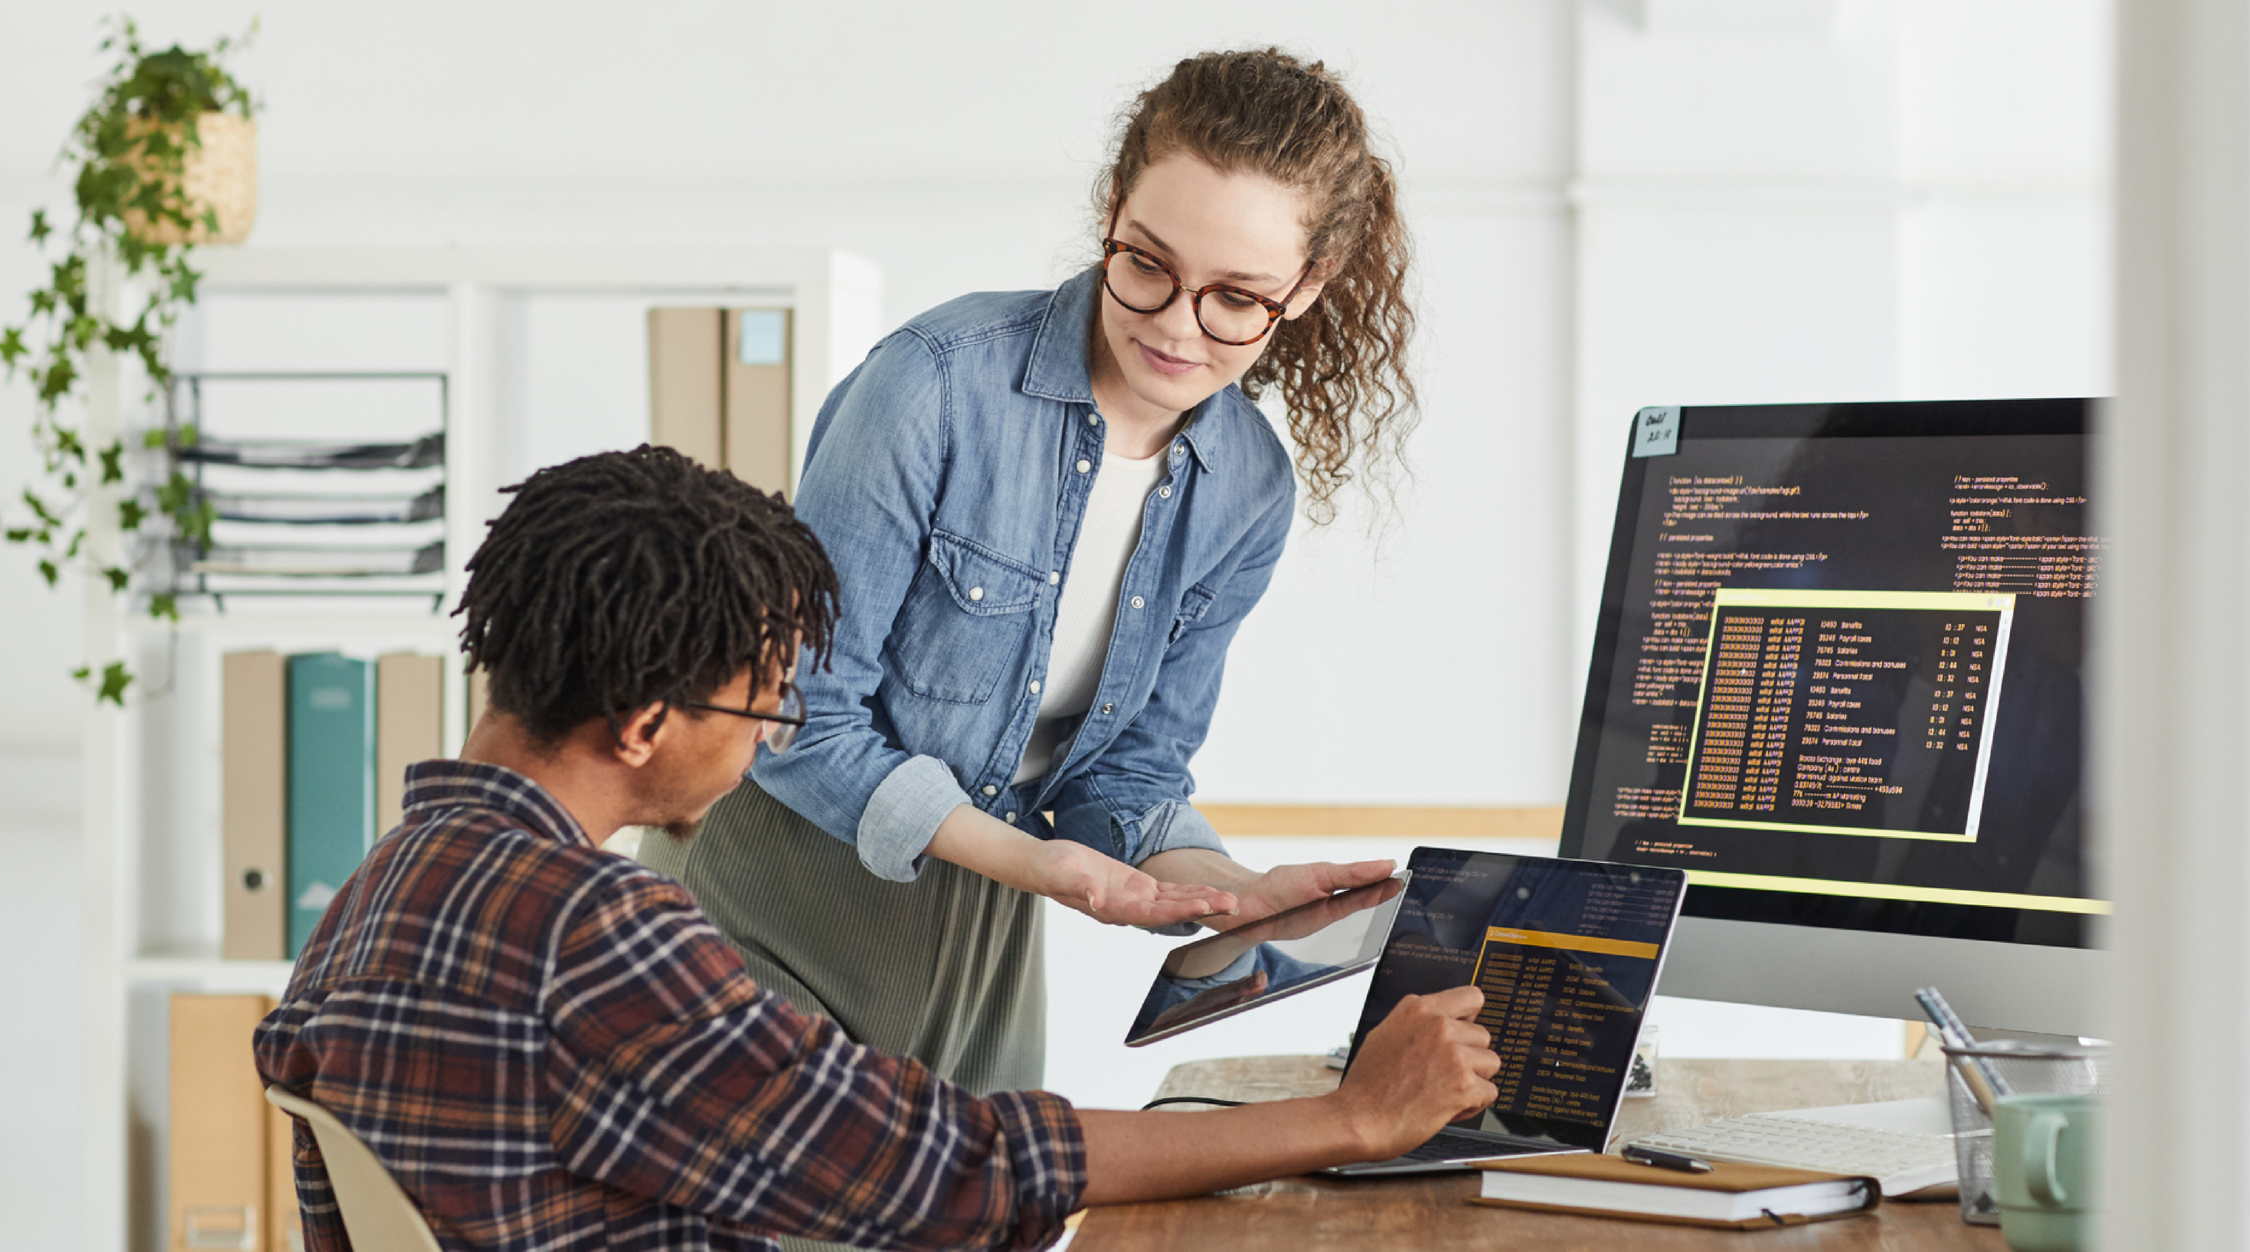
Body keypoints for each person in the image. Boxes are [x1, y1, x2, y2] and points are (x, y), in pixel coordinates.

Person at [253, 447, 1499, 1252]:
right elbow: (949, 1168)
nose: (775, 742)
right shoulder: (592, 934)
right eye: (766, 709)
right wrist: (1354, 1115)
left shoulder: (385, 887)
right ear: (644, 726)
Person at [641, 47, 1422, 1097]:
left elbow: (1127, 777)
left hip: (976, 956)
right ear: (1112, 209)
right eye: (1146, 263)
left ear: (1308, 286)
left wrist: (1232, 889)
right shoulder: (934, 387)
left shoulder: (1245, 490)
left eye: (1236, 298)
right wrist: (1038, 863)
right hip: (764, 920)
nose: (1175, 325)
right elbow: (793, 716)